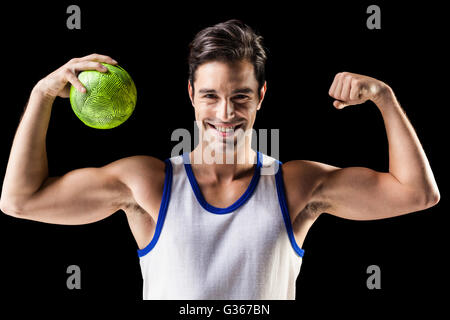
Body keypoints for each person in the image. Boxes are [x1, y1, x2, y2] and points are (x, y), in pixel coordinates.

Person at [0, 20, 440, 300]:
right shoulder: (147, 183)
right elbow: (20, 201)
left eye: (241, 96)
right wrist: (42, 96)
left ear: (261, 97)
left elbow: (417, 194)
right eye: (210, 95)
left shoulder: (295, 186)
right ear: (191, 95)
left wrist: (385, 98)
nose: (225, 113)